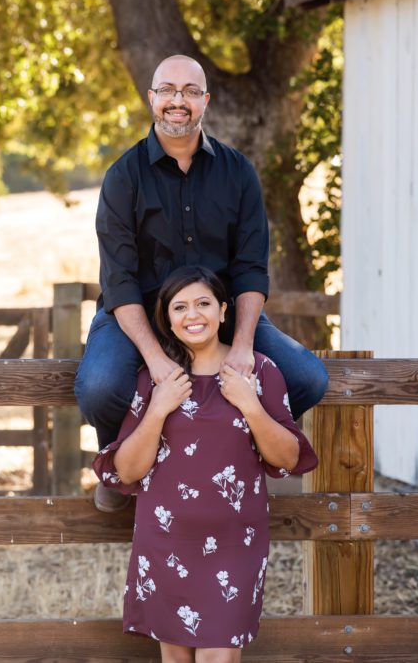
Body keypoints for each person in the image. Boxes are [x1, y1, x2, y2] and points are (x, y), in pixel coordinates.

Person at [74, 54, 328, 512]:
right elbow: (119, 280)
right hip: (139, 314)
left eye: (190, 91)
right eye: (167, 90)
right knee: (99, 386)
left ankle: (234, 456)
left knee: (307, 377)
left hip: (220, 314)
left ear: (205, 101)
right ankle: (121, 467)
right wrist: (155, 358)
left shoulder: (238, 173)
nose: (178, 100)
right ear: (151, 98)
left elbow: (251, 268)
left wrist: (243, 346)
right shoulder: (123, 177)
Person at [93, 265, 318, 661]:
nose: (192, 315)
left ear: (223, 310)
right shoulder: (154, 378)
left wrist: (250, 404)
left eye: (203, 304)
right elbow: (127, 471)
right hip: (166, 543)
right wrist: (158, 410)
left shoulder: (258, 370)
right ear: (167, 319)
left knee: (219, 656)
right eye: (179, 307)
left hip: (235, 544)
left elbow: (288, 457)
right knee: (176, 658)